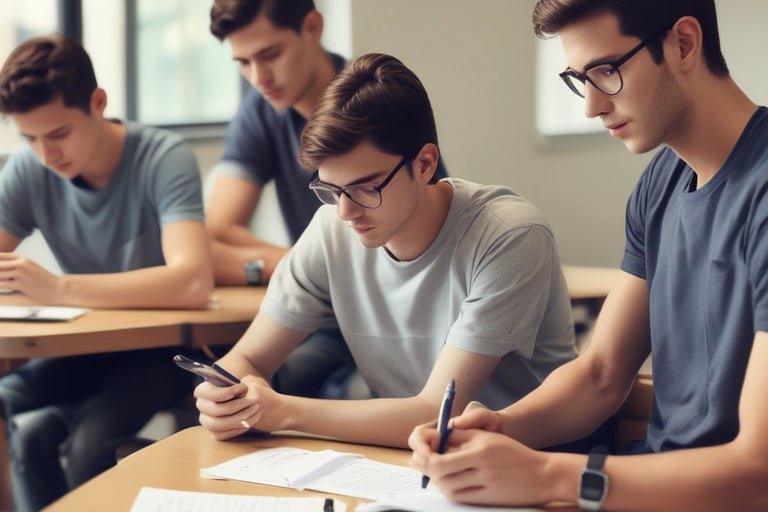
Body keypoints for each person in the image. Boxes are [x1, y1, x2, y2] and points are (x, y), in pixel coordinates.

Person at [409, 1, 768, 510]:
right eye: (581, 78)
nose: (591, 106)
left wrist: (549, 476)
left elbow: (758, 473)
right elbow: (601, 374)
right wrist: (502, 426)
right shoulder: (659, 184)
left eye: (607, 71)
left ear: (684, 44)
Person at [194, 52, 577, 449]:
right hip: (406, 464)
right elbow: (247, 360)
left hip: (529, 465)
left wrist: (283, 410)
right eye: (331, 189)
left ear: (425, 164)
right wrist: (224, 393)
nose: (345, 211)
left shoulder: (507, 236)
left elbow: (435, 413)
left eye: (366, 187)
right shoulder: (332, 228)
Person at [0, 35, 214, 511]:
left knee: (88, 446)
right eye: (28, 138)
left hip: (162, 351)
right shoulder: (28, 171)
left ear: (98, 103)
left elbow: (194, 281)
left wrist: (57, 288)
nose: (45, 155)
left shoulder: (163, 157)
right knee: (20, 420)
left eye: (57, 134)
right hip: (83, 349)